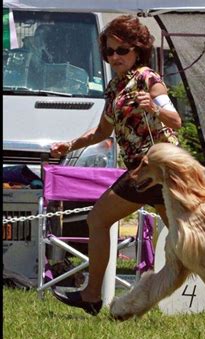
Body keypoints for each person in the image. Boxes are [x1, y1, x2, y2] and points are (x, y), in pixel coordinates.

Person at [49, 15, 182, 315]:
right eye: (109, 52)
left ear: (138, 50)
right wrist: (68, 145)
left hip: (161, 171)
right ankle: (93, 295)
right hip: (140, 173)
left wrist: (155, 108)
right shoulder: (114, 88)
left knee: (187, 240)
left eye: (122, 50)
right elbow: (101, 133)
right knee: (101, 220)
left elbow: (176, 121)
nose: (114, 57)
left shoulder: (150, 79)